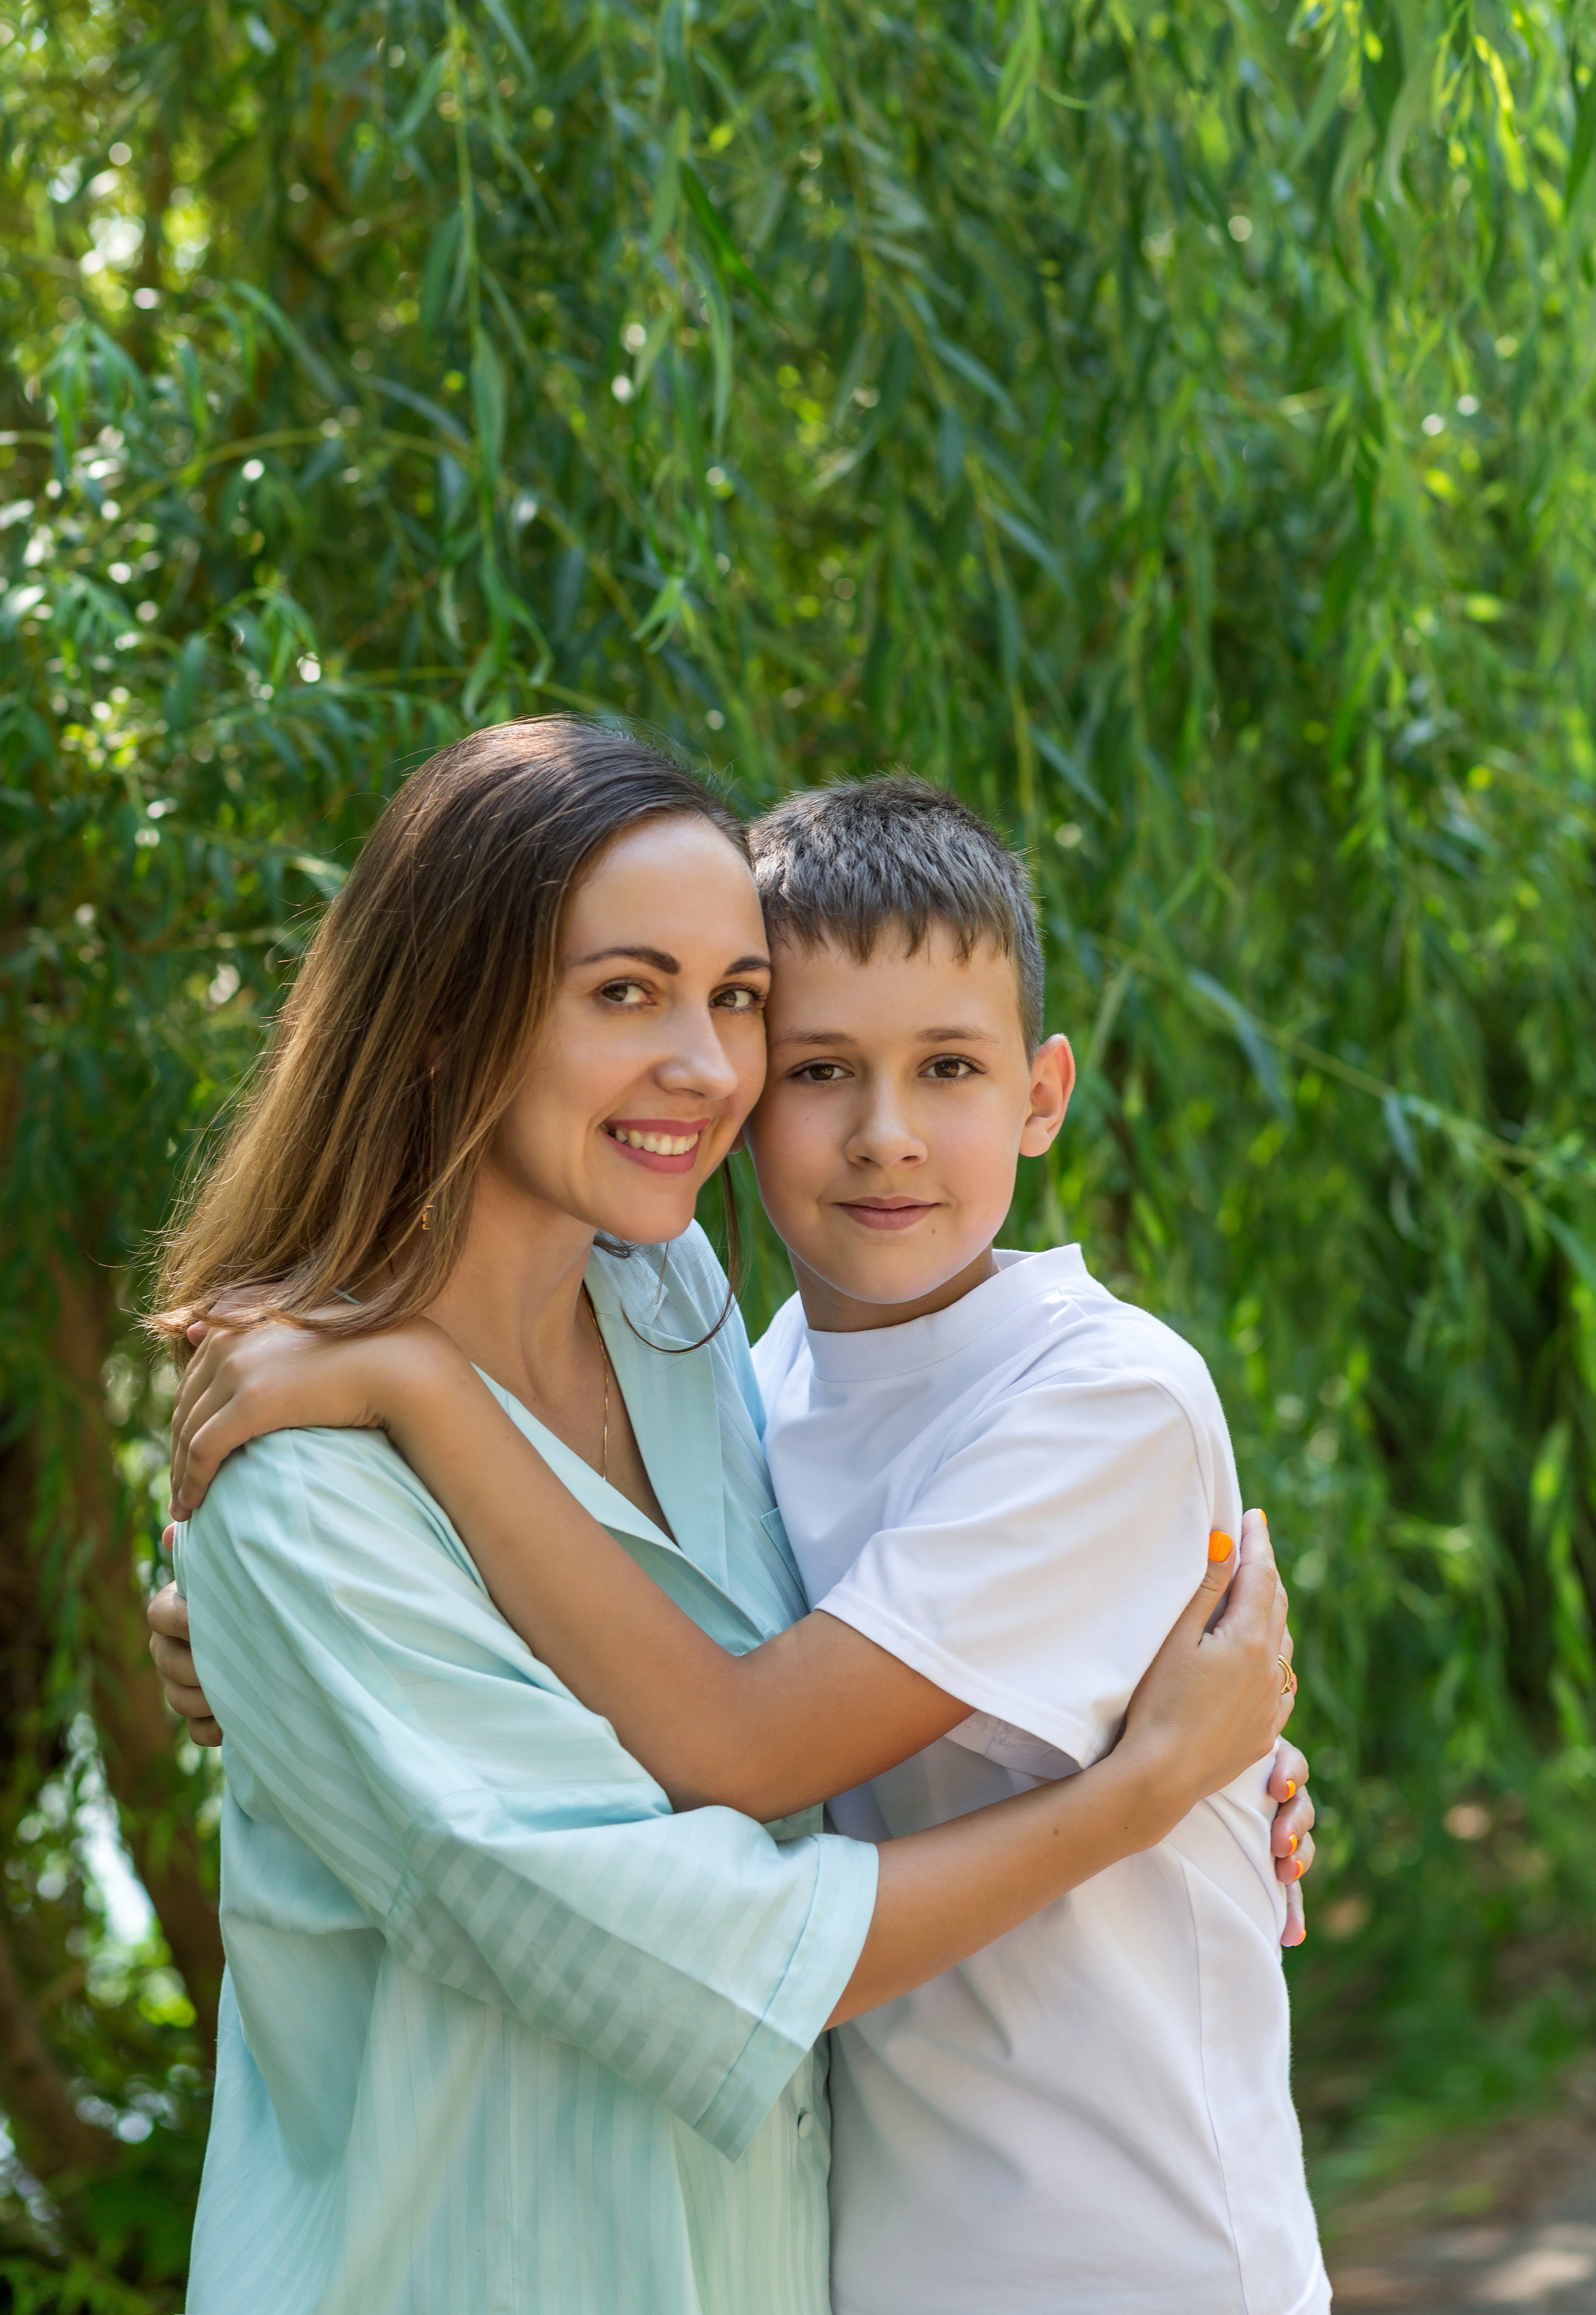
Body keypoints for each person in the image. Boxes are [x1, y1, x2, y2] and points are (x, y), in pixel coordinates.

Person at [151, 728, 1316, 2313]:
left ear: (1039, 1091)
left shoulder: (677, 1319)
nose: (706, 1066)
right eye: (625, 992)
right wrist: (1143, 1787)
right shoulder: (336, 1468)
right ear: (444, 1015)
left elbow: (774, 1713)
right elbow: (698, 1898)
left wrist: (1183, 1775)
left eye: (733, 1000)